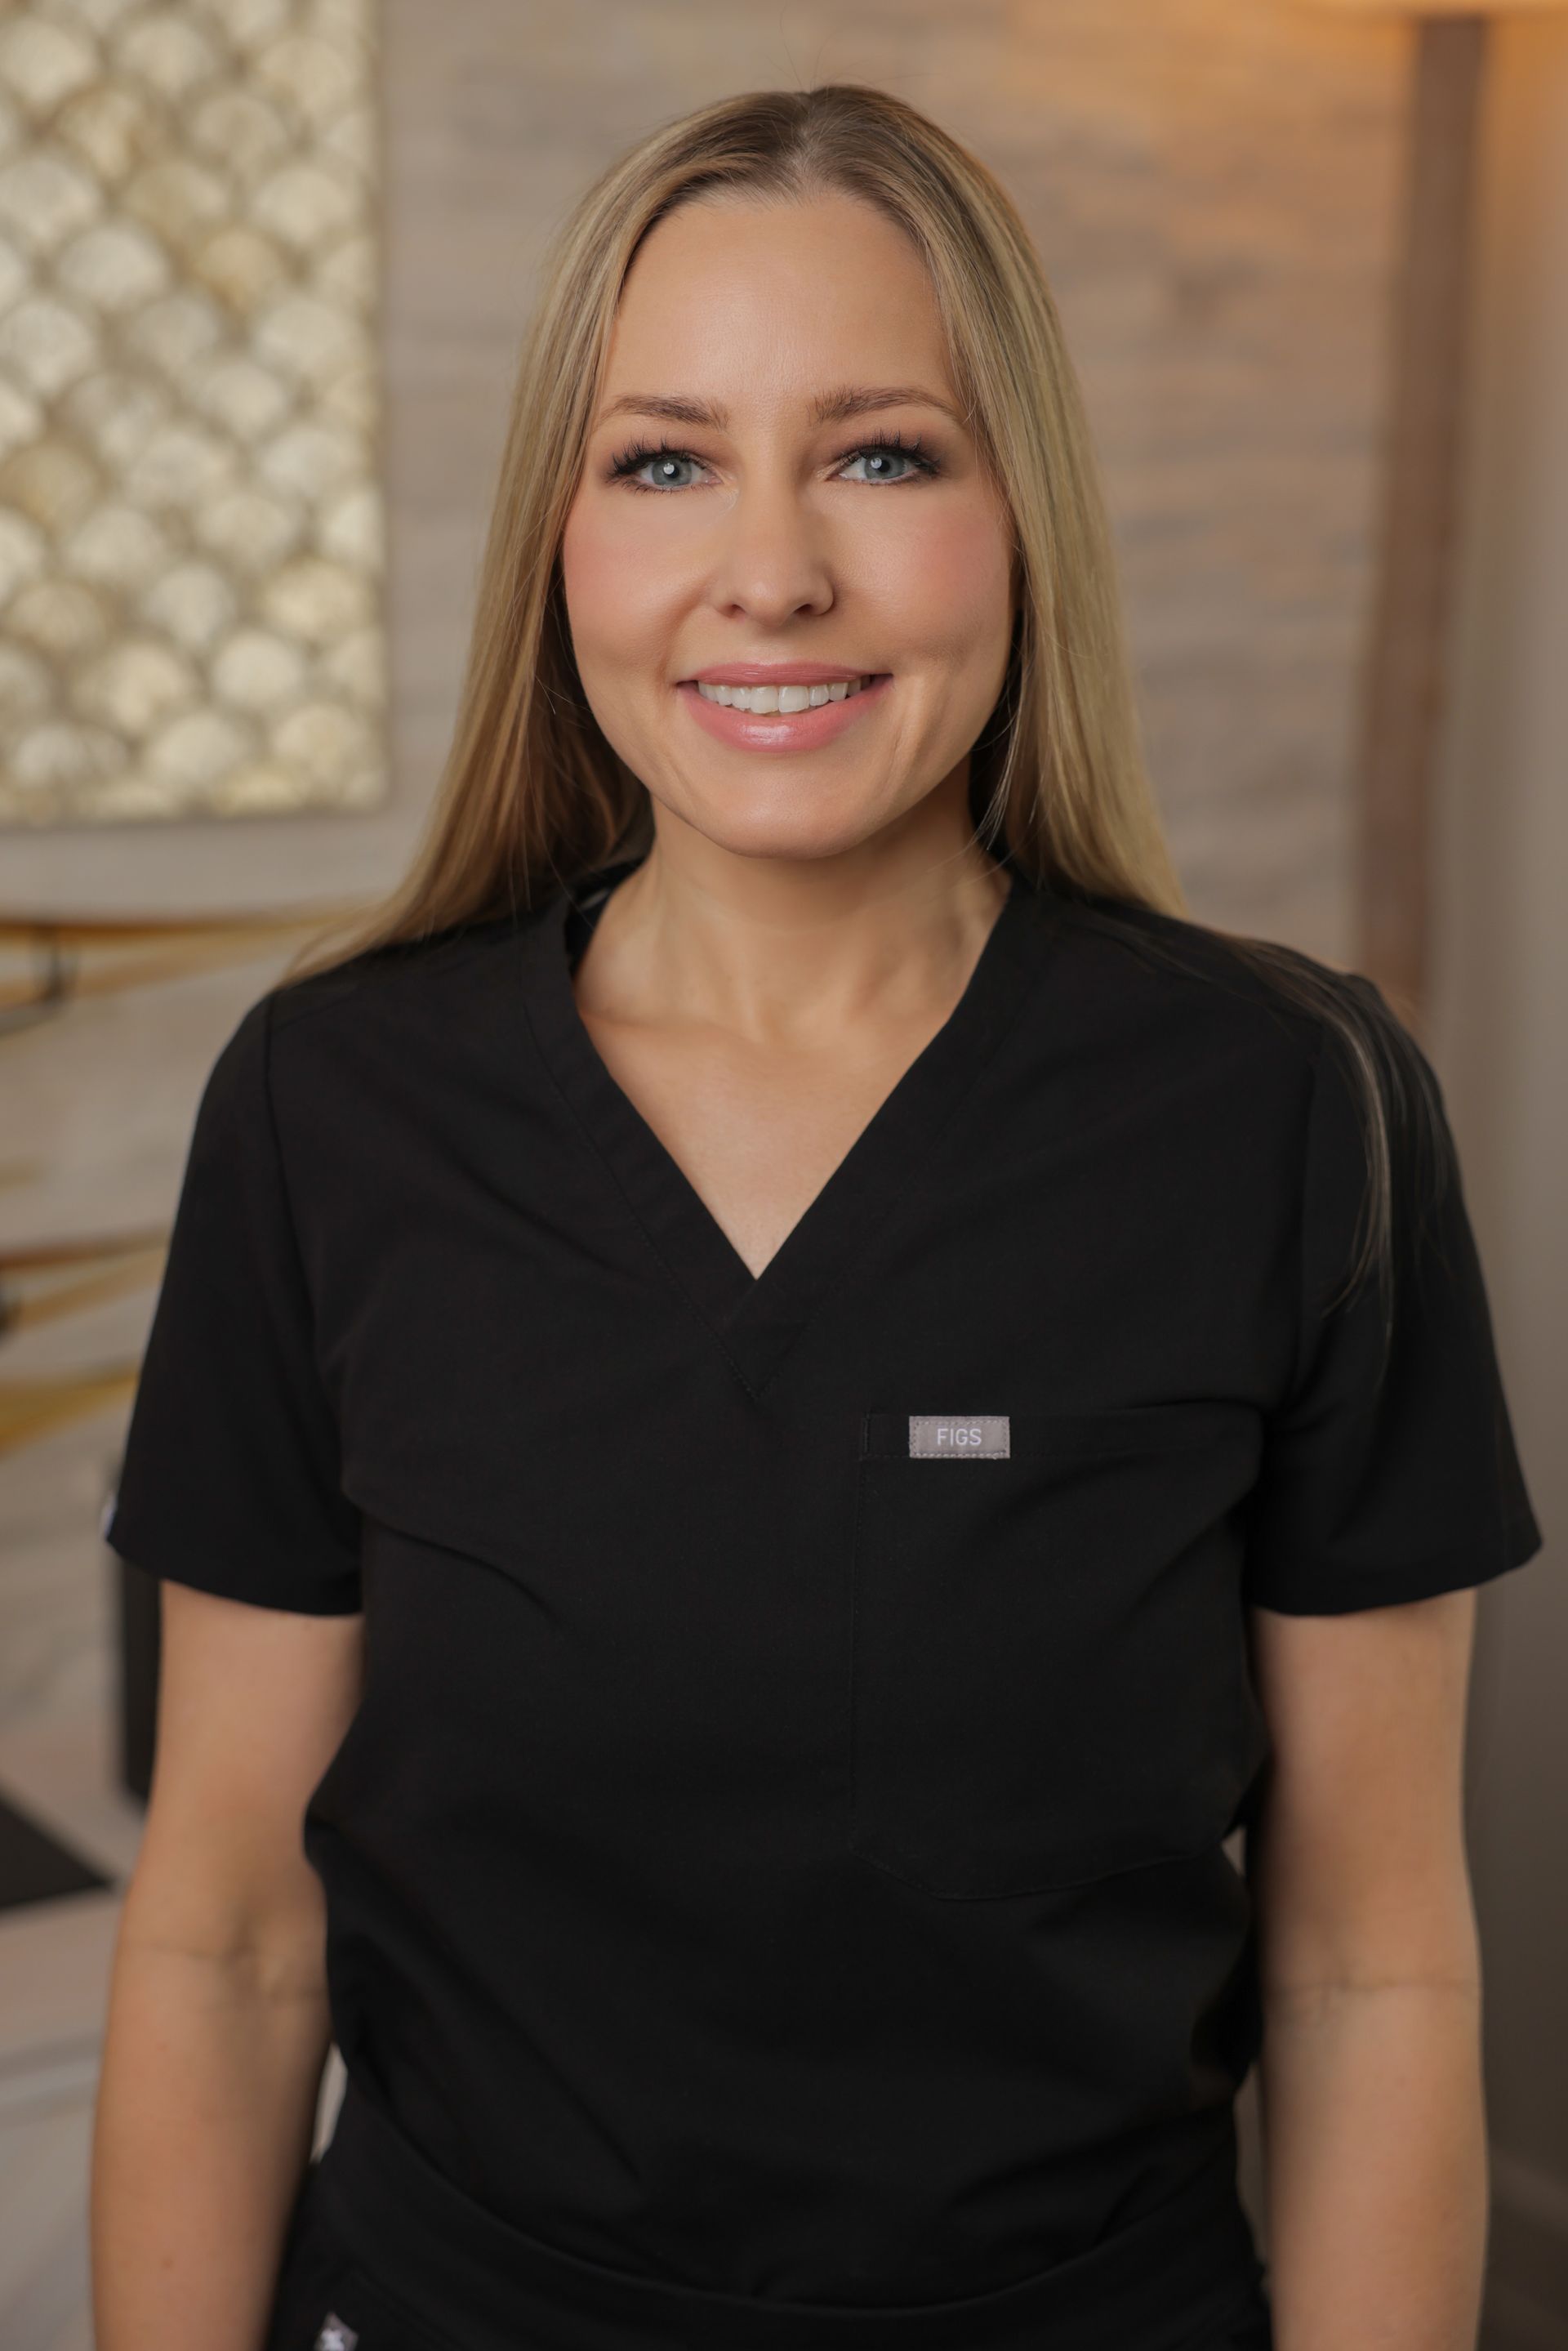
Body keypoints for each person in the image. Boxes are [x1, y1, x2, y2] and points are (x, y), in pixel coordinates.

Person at [90, 83, 1543, 2351]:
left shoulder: (1292, 1112)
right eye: (665, 460)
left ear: (1022, 516)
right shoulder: (334, 1106)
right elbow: (224, 1938)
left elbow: (1369, 1958)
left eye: (882, 454)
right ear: (559, 539)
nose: (769, 569)